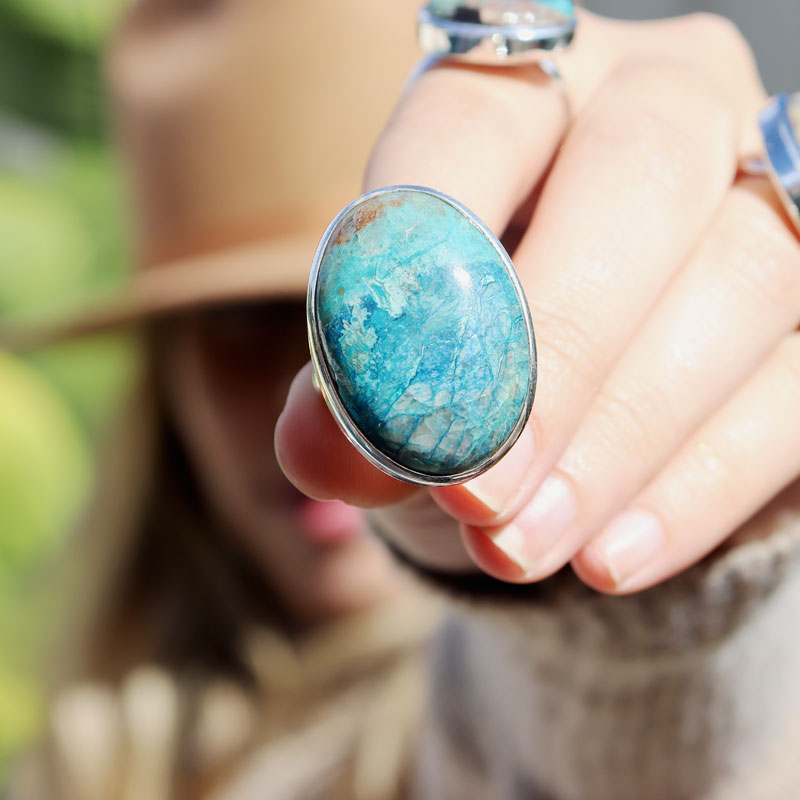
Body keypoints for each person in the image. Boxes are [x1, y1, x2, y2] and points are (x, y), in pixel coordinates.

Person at [7, 3, 800, 800]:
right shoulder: (65, 768)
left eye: (420, 306)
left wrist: (627, 602)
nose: (323, 375)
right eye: (242, 324)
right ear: (166, 381)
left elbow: (613, 741)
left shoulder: (474, 737)